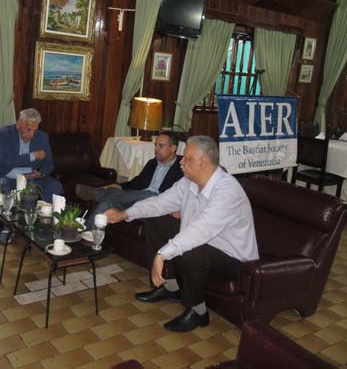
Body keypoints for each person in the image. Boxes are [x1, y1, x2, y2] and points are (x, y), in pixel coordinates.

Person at [105, 135, 258, 332]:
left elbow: (201, 230)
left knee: (191, 250)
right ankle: (171, 287)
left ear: (203, 162)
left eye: (187, 158)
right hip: (204, 243)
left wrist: (162, 254)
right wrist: (126, 213)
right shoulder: (188, 182)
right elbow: (160, 202)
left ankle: (198, 312)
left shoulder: (227, 191)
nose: (181, 162)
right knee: (157, 220)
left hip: (232, 258)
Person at [76, 132, 183, 229]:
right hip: (135, 201)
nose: (156, 149)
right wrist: (120, 186)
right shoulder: (152, 163)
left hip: (155, 205)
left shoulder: (181, 167)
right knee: (106, 204)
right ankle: (84, 233)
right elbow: (137, 182)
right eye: (155, 145)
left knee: (151, 194)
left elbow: (182, 192)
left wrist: (178, 208)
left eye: (161, 146)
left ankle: (99, 193)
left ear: (173, 148)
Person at [0, 108, 63, 242]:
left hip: (32, 178)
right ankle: (8, 227)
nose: (32, 134)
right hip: (7, 175)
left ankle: (41, 225)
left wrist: (41, 173)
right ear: (19, 124)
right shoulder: (4, 133)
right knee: (2, 185)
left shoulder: (43, 137)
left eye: (35, 130)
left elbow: (49, 163)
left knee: (55, 186)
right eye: (28, 129)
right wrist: (33, 156)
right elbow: (6, 161)